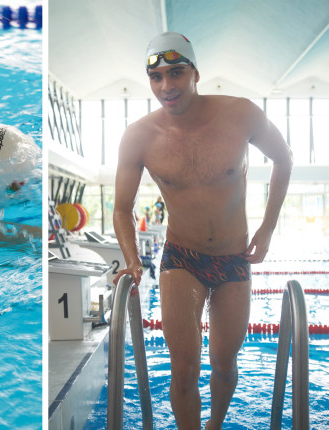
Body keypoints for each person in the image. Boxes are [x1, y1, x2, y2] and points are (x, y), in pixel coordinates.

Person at [112, 32, 292, 430]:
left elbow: (284, 158)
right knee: (184, 368)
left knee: (225, 364)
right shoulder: (139, 137)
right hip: (182, 258)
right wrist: (130, 259)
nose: (167, 86)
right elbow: (121, 210)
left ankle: (215, 424)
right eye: (156, 77)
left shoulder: (240, 114)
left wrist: (268, 226)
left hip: (234, 258)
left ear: (195, 73)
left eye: (176, 73)